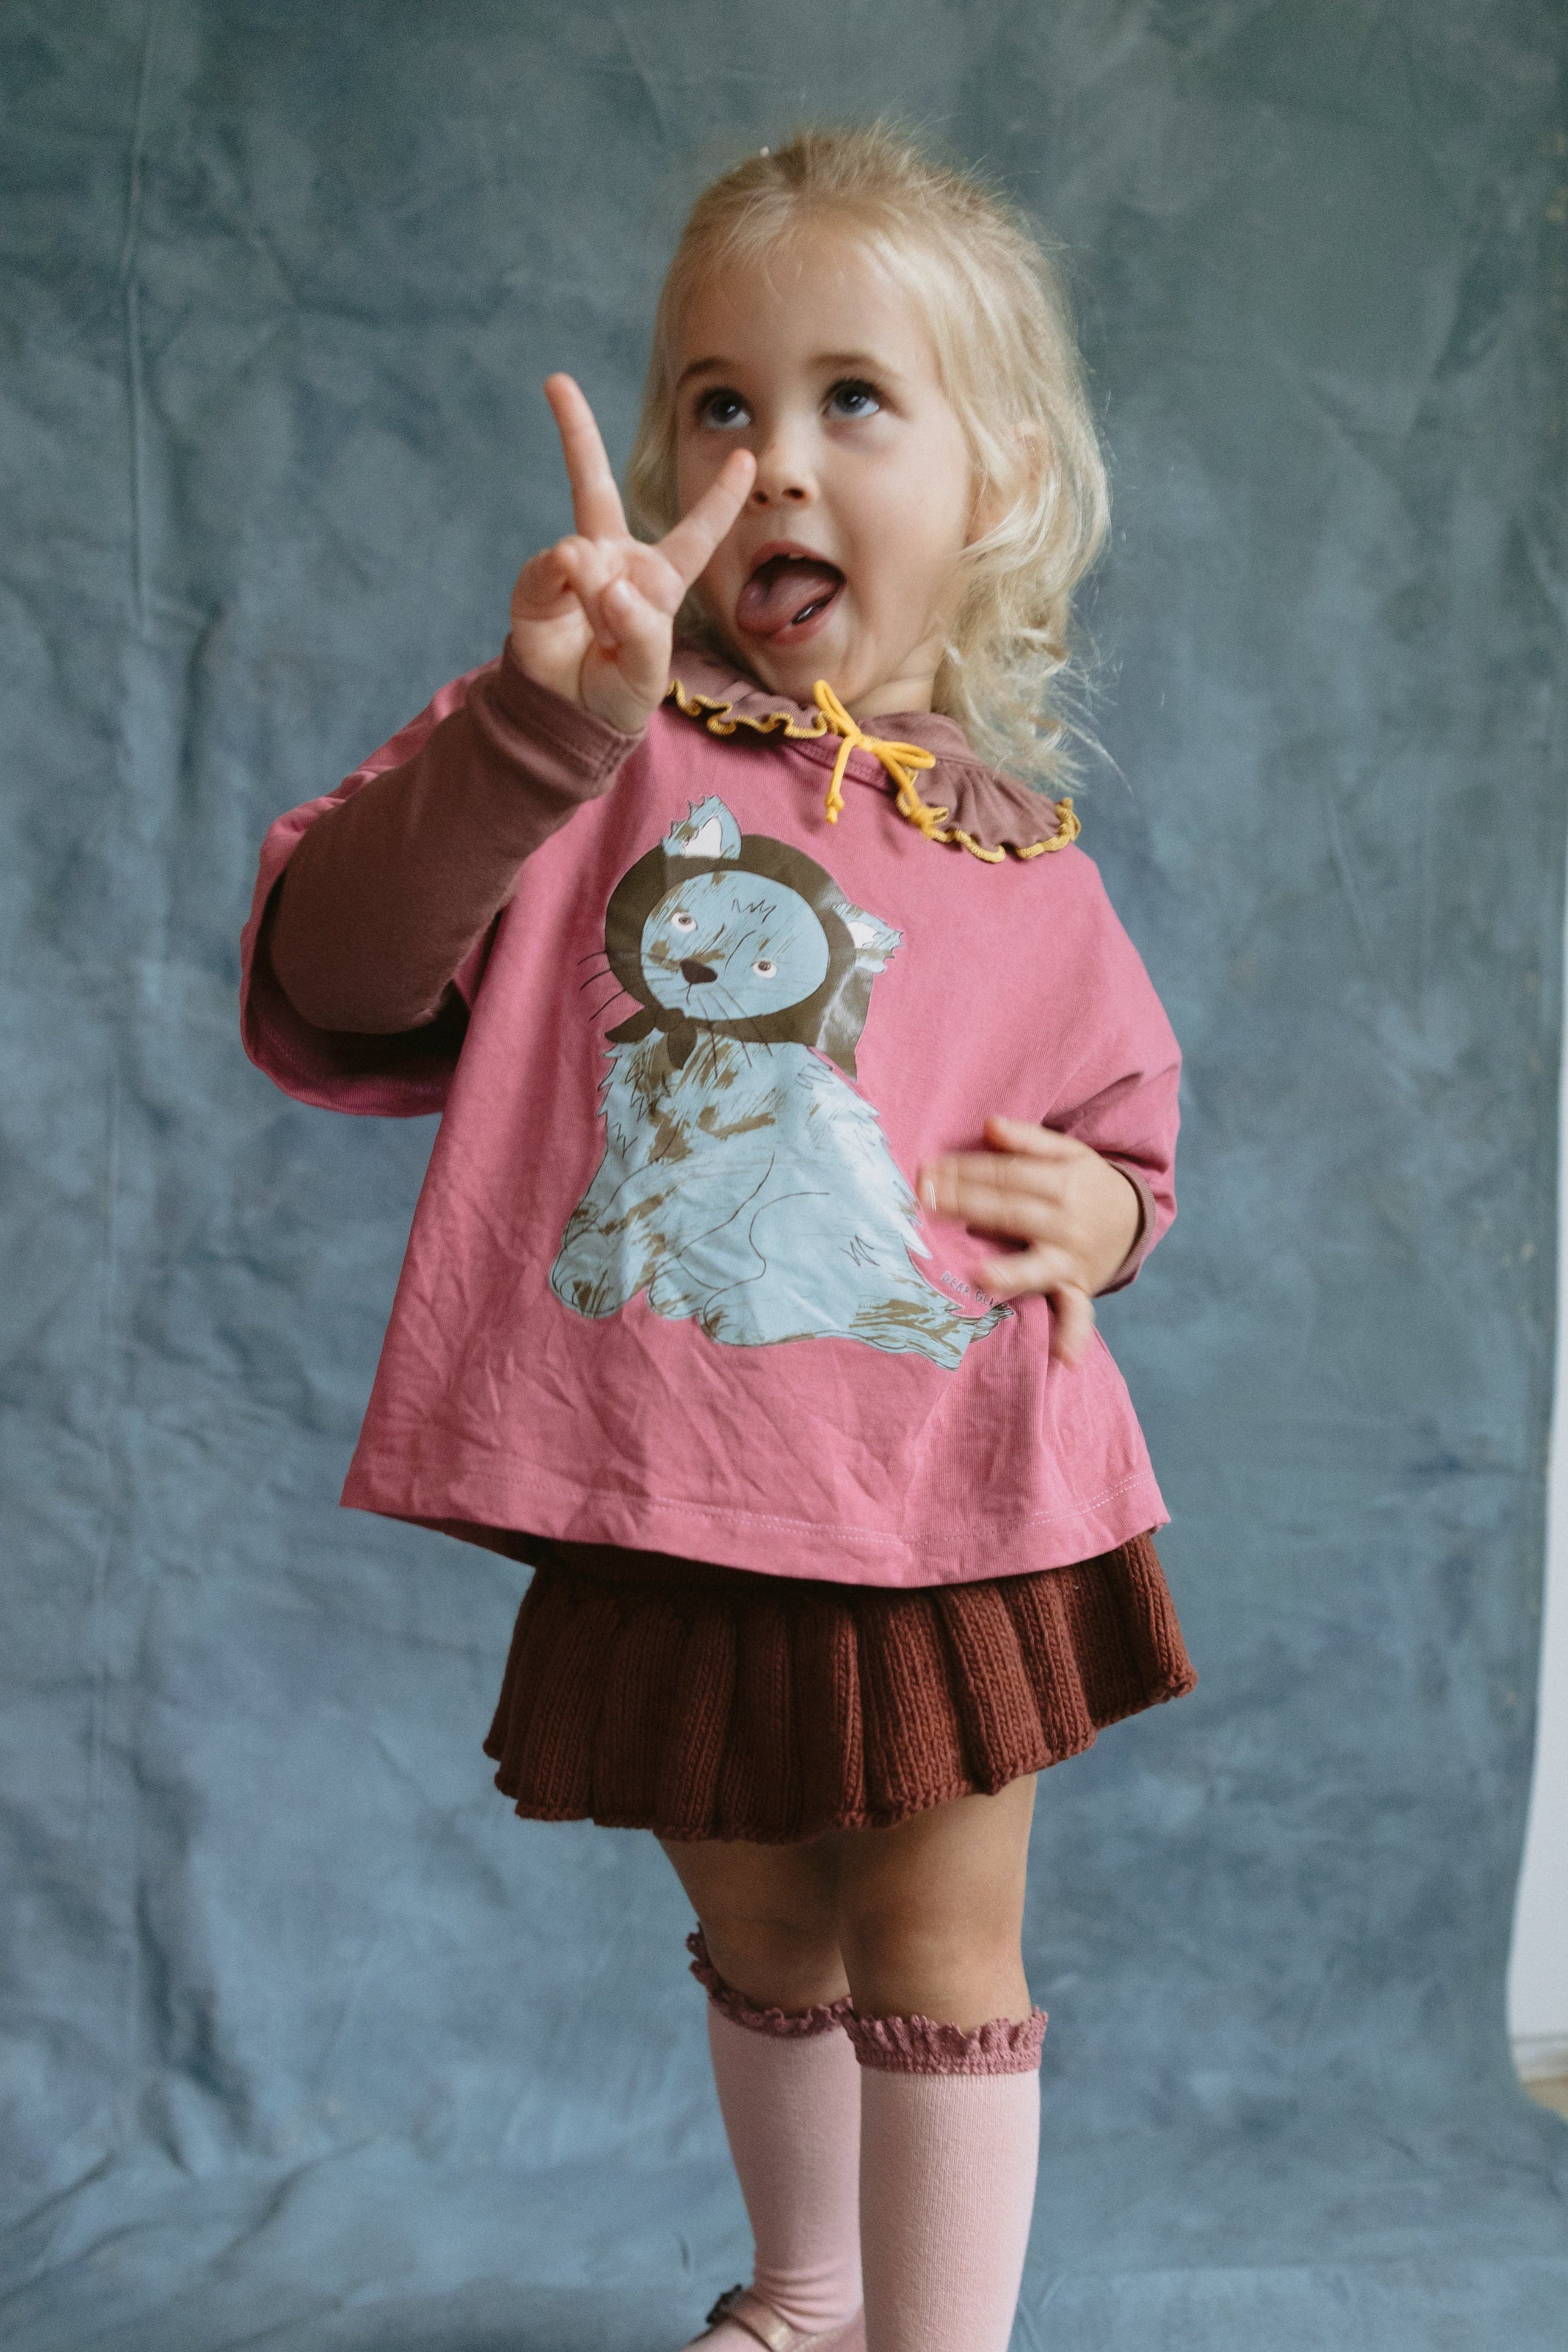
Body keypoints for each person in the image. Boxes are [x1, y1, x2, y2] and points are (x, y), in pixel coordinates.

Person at [241, 123, 1195, 2352]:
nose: (775, 460)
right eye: (719, 400)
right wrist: (526, 736)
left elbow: (1122, 1137)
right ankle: (801, 2296)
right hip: (673, 1477)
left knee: (939, 1945)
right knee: (768, 1931)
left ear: (996, 488)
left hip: (961, 1495)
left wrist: (1110, 1217)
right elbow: (342, 972)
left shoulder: (1018, 855)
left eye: (855, 399)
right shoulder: (580, 752)